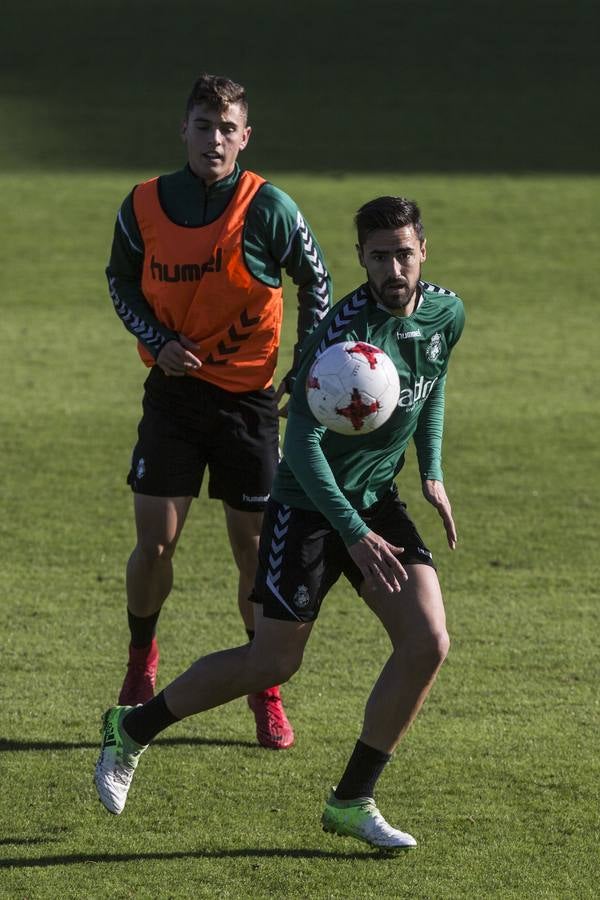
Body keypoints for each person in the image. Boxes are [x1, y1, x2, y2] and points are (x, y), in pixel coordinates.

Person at [95, 196, 465, 851]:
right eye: (379, 256)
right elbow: (300, 447)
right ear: (362, 259)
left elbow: (430, 385)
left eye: (403, 252)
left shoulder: (445, 313)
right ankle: (133, 729)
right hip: (310, 505)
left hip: (375, 498)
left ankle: (352, 800)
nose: (393, 267)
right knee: (272, 661)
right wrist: (351, 530)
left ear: (423, 251)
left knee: (427, 641)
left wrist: (431, 468)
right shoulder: (341, 338)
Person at [105, 73, 331, 750]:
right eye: (204, 125)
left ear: (245, 136)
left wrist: (306, 360)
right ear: (184, 130)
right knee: (155, 543)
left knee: (254, 553)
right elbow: (119, 281)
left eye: (228, 127)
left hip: (248, 405)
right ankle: (141, 661)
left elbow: (314, 277)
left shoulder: (269, 207)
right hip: (173, 399)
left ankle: (264, 688)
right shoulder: (143, 204)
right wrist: (157, 342)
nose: (215, 139)